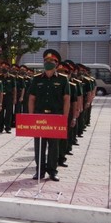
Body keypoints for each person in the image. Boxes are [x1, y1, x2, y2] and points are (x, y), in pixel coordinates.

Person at [27, 49, 70, 182]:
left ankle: (52, 171)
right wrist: (31, 117)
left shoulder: (63, 80)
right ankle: (39, 171)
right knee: (39, 145)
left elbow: (66, 100)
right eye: (46, 60)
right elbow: (32, 99)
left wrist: (65, 118)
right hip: (39, 117)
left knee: (54, 147)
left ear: (57, 64)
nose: (48, 63)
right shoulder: (36, 79)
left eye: (51, 61)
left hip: (55, 117)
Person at [0, 61, 16, 134]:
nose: (3, 69)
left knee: (9, 112)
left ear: (8, 68)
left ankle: (7, 127)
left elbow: (14, 89)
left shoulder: (11, 77)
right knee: (0, 113)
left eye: (5, 67)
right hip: (1, 97)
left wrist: (14, 98)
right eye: (2, 67)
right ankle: (0, 127)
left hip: (9, 97)